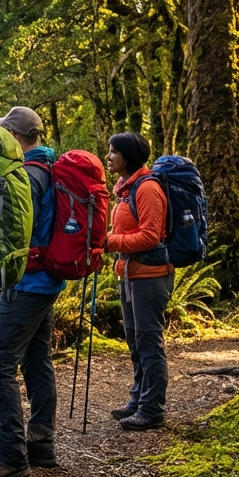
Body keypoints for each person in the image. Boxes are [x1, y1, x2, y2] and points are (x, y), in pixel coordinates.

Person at [0, 106, 65, 477]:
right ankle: (40, 444)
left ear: (15, 135)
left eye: (3, 133)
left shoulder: (28, 176)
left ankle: (12, 455)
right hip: (45, 280)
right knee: (36, 361)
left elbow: (14, 230)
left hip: (26, 283)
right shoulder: (50, 166)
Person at [104, 131, 174, 431]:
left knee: (148, 341)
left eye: (113, 152)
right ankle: (138, 399)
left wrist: (109, 242)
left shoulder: (147, 188)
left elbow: (150, 235)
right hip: (131, 274)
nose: (108, 156)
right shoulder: (125, 188)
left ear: (127, 157)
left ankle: (152, 408)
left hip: (151, 276)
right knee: (135, 340)